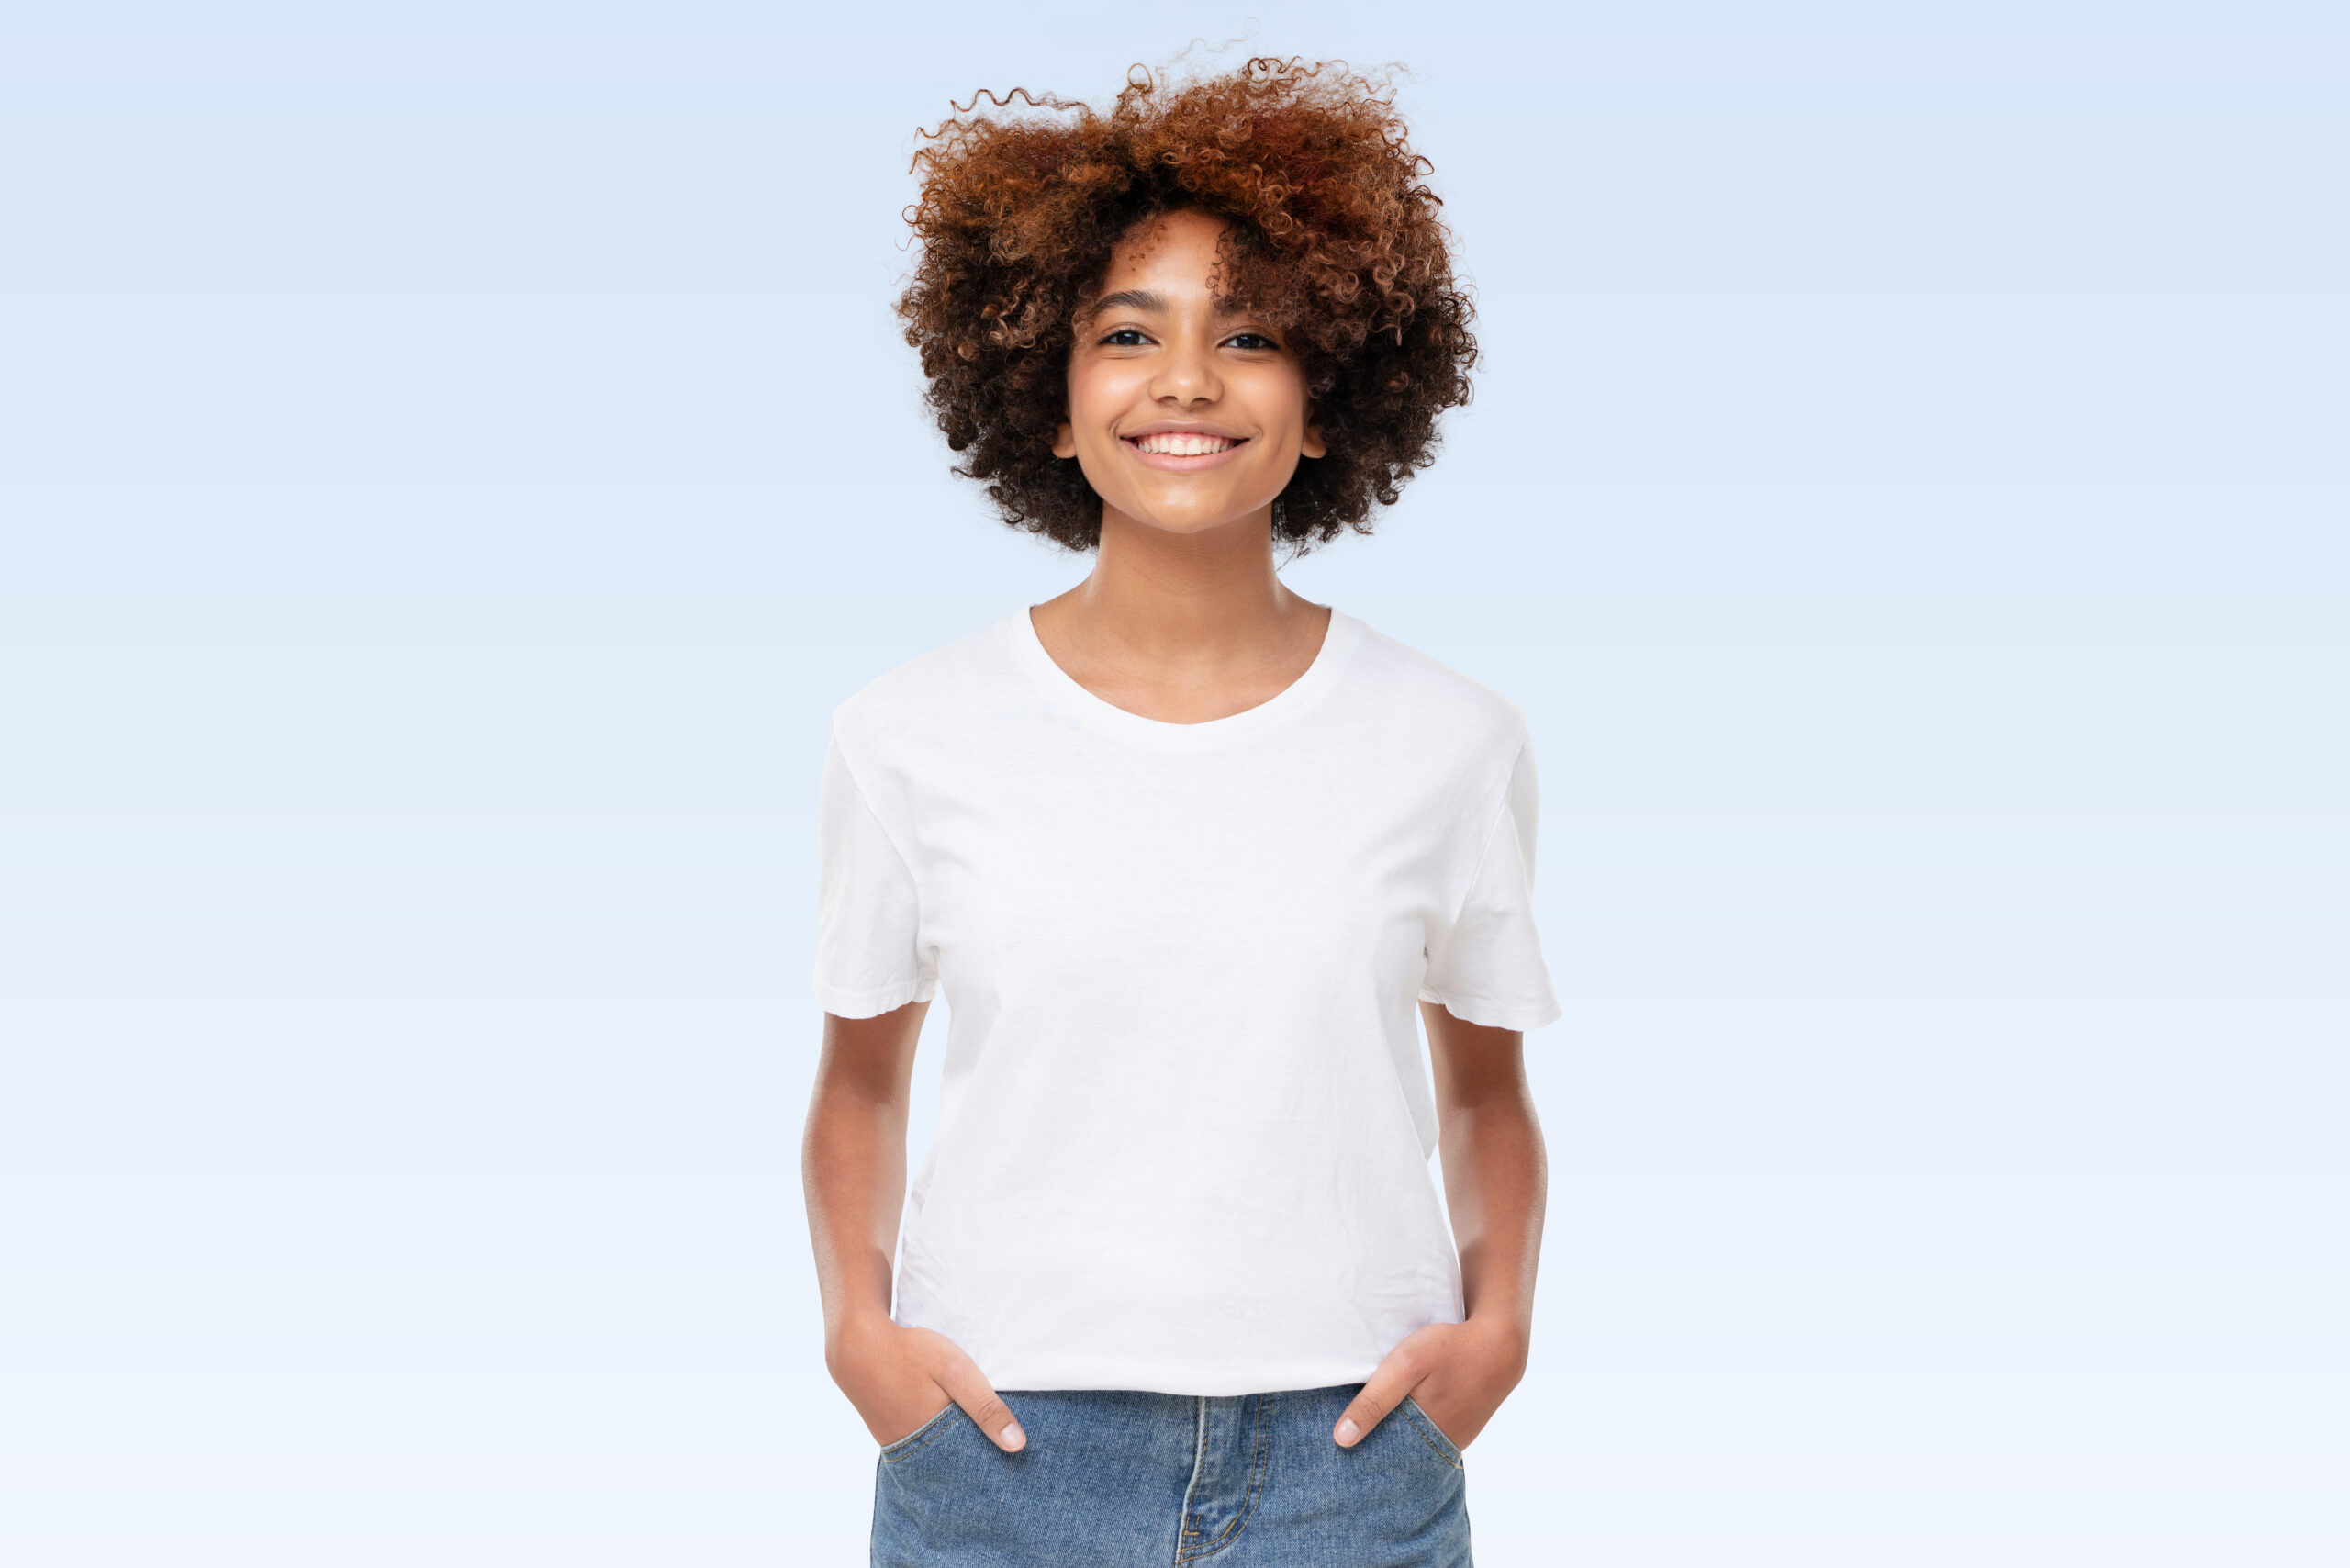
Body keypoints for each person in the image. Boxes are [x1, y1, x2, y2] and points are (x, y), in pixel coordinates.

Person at [804, 57, 1561, 1567]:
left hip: (1351, 1456)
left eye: (1254, 335)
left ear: (1332, 398)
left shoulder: (1452, 740)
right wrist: (860, 1343)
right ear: (1050, 401)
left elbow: (1485, 1095)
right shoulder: (906, 733)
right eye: (1129, 333)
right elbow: (860, 1088)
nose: (1190, 380)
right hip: (1002, 1449)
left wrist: (1498, 1337)